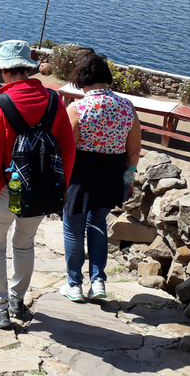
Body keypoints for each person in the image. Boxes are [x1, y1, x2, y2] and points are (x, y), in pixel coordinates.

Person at [0, 40, 76, 330]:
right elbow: (68, 149)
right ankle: (17, 300)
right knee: (24, 245)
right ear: (28, 69)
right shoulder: (54, 100)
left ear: (4, 72)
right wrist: (59, 185)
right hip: (39, 191)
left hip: (5, 191)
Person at [60, 49, 141, 303]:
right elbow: (134, 150)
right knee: (97, 226)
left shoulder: (77, 108)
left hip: (81, 176)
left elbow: (67, 150)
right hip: (112, 175)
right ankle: (98, 282)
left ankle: (75, 285)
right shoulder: (127, 107)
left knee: (73, 230)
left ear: (82, 79)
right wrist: (128, 181)